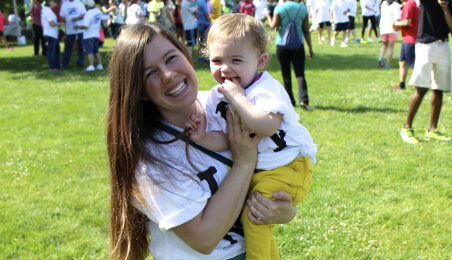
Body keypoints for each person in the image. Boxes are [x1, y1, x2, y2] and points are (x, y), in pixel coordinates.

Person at [107, 21, 299, 260]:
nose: (168, 75)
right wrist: (244, 162)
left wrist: (282, 210)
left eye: (170, 58)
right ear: (140, 91)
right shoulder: (149, 160)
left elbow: (272, 166)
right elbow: (204, 238)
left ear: (186, 55)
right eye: (151, 73)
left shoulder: (229, 105)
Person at [186, 13, 316, 259]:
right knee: (259, 223)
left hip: (289, 167)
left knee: (254, 217)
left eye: (236, 60)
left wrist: (237, 97)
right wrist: (203, 137)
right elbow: (230, 140)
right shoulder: (217, 96)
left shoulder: (266, 89)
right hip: (262, 171)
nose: (225, 68)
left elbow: (265, 126)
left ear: (260, 61)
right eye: (216, 60)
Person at [399, 0, 452, 143]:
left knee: (439, 89)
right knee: (421, 88)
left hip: (443, 45)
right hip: (426, 45)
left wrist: (446, 8)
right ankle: (407, 128)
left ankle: (432, 130)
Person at [266, 0, 314, 110]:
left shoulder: (280, 8)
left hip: (282, 45)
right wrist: (310, 48)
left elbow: (274, 26)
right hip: (298, 45)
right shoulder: (303, 8)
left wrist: (268, 16)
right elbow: (306, 30)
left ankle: (290, 100)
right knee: (300, 74)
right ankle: (304, 100)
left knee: (286, 74)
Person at [392, 0, 419, 90]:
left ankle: (419, 86)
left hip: (411, 39)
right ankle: (402, 85)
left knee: (413, 64)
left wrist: (395, 23)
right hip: (407, 38)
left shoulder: (410, 4)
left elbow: (407, 22)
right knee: (402, 61)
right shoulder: (410, 3)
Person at [74, 0, 103, 71]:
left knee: (89, 51)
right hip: (96, 34)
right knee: (96, 50)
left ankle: (91, 65)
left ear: (87, 6)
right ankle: (100, 64)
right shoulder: (98, 11)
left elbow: (85, 26)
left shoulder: (88, 14)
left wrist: (77, 26)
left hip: (89, 35)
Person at [60, 0, 86, 68]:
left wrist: (76, 18)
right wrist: (68, 18)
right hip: (70, 29)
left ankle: (80, 62)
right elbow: (61, 15)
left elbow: (84, 14)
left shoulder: (79, 3)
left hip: (79, 29)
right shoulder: (65, 4)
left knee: (80, 46)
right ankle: (64, 63)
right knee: (68, 47)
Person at [377, 0, 401, 68]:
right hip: (392, 29)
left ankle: (381, 57)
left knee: (384, 45)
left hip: (383, 28)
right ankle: (387, 64)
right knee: (391, 47)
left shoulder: (383, 3)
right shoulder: (396, 5)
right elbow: (397, 18)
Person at [42, 0, 63, 71]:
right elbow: (51, 23)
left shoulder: (47, 10)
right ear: (49, 2)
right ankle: (52, 67)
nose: (55, 3)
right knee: (52, 51)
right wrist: (60, 24)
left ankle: (57, 65)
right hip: (50, 34)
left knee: (57, 49)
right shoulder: (47, 11)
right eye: (54, 1)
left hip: (53, 34)